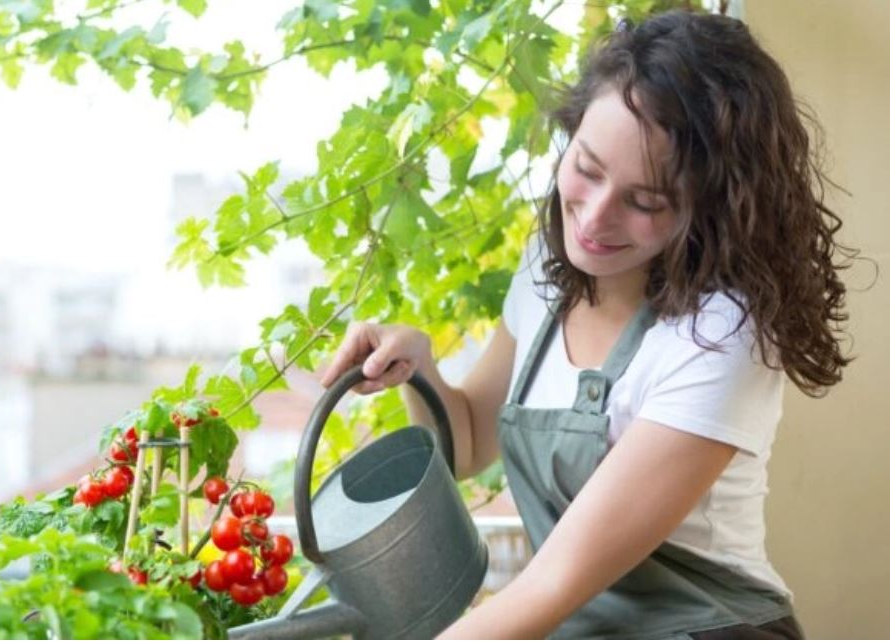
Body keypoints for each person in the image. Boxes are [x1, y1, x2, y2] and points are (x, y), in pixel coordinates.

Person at [319, 9, 857, 639]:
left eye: (645, 201)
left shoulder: (723, 334)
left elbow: (556, 581)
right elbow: (466, 444)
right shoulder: (546, 273)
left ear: (706, 206)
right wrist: (419, 367)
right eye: (588, 168)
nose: (595, 218)